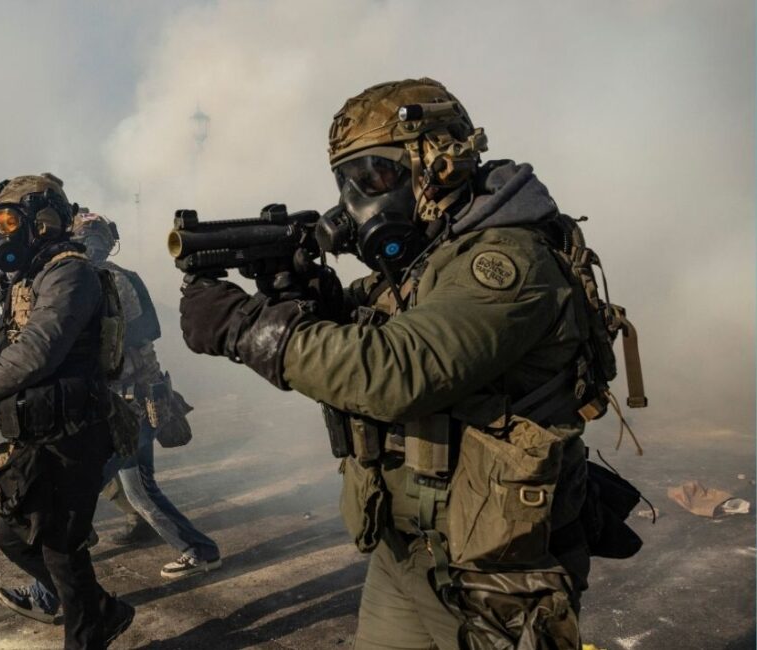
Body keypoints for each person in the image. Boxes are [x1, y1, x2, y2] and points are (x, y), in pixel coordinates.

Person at [179, 78, 602, 648]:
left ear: (440, 161)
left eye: (375, 175)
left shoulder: (506, 261)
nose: (358, 200)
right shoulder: (433, 256)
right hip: (407, 549)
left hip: (495, 571)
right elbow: (373, 324)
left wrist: (245, 328)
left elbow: (398, 370)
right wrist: (308, 299)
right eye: (347, 181)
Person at [0, 174, 133, 648]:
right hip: (40, 431)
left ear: (43, 222)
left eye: (9, 222)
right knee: (15, 539)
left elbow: (36, 352)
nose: (1, 234)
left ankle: (89, 632)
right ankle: (104, 611)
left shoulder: (70, 273)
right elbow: (11, 340)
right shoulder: (31, 277)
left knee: (61, 549)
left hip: (72, 430)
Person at [71, 211, 220, 578]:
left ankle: (58, 570)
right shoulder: (116, 277)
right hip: (132, 401)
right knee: (137, 491)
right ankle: (199, 550)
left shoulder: (105, 281)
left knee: (85, 487)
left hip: (130, 404)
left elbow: (107, 346)